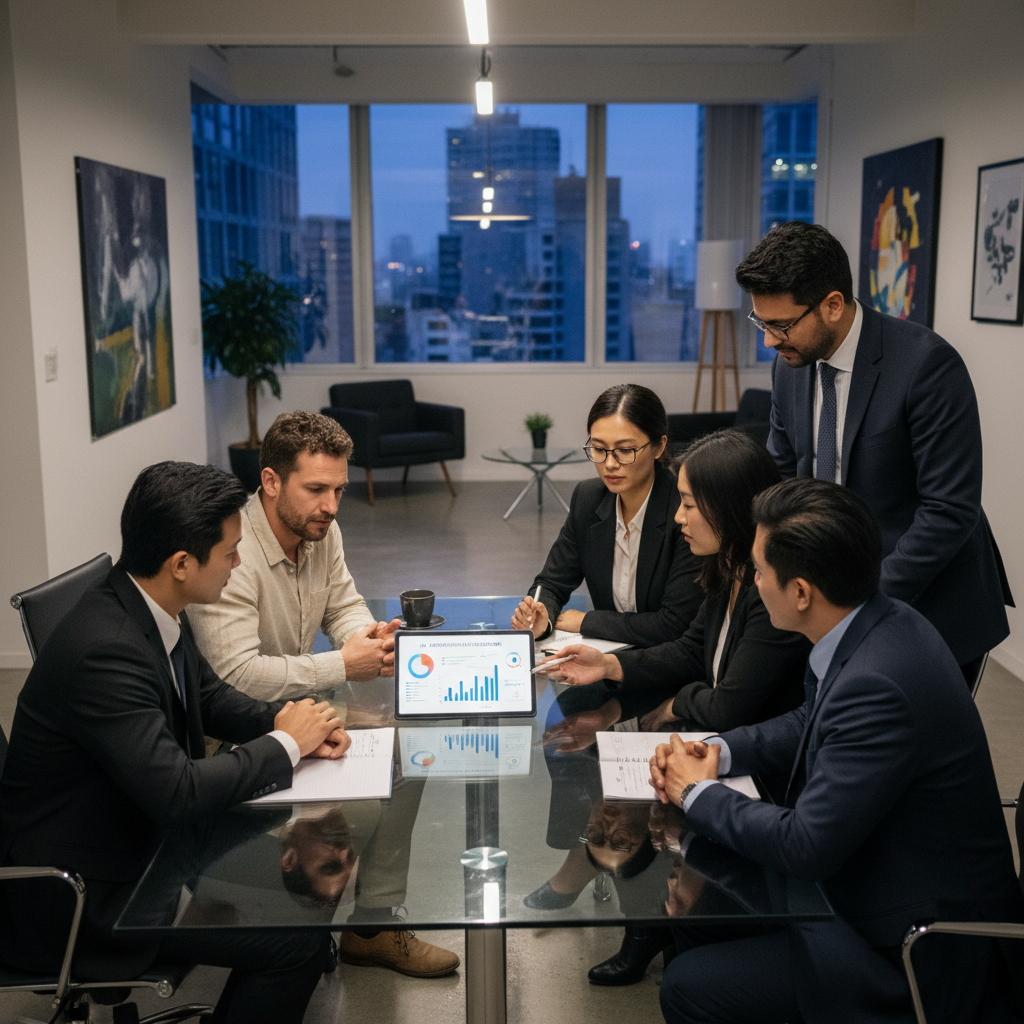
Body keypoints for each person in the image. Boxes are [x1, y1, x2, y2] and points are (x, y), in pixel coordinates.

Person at [651, 478, 1024, 1024]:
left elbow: (806, 845)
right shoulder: (876, 622)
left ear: (801, 592)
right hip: (873, 878)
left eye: (758, 571)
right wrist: (718, 751)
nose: (752, 583)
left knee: (688, 986)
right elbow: (812, 718)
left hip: (914, 950)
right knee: (700, 912)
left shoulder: (879, 683)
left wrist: (694, 790)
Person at [0, 462, 348, 1024]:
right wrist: (285, 743)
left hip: (138, 835)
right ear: (182, 564)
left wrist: (293, 726)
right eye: (231, 553)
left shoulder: (150, 600)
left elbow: (207, 698)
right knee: (298, 941)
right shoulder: (104, 649)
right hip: (88, 893)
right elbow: (178, 793)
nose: (239, 565)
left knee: (309, 883)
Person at [188, 410, 459, 979]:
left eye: (338, 488)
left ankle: (372, 924)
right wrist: (343, 663)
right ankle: (299, 906)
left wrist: (365, 637)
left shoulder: (320, 529)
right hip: (234, 738)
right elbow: (234, 676)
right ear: (270, 482)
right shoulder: (228, 552)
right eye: (316, 489)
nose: (332, 505)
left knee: (411, 742)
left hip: (298, 713)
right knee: (367, 788)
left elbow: (341, 602)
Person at [535, 429, 809, 987]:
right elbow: (689, 649)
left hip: (759, 766)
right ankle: (654, 917)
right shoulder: (727, 569)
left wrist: (671, 706)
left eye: (687, 504)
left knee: (636, 781)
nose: (679, 517)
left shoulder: (766, 588)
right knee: (597, 754)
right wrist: (607, 667)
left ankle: (659, 921)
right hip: (713, 736)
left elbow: (729, 705)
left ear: (729, 509)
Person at [735, 220, 1013, 683]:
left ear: (832, 305)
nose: (768, 340)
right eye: (760, 323)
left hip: (930, 599)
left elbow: (949, 510)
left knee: (916, 747)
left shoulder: (926, 365)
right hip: (831, 598)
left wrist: (861, 603)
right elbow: (782, 478)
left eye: (780, 325)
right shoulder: (790, 368)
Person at [511, 383, 702, 648]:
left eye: (625, 450)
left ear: (659, 447)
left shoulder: (684, 510)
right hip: (607, 658)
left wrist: (586, 622)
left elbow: (674, 623)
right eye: (599, 449)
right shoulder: (588, 499)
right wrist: (542, 616)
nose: (609, 464)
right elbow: (552, 582)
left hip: (670, 665)